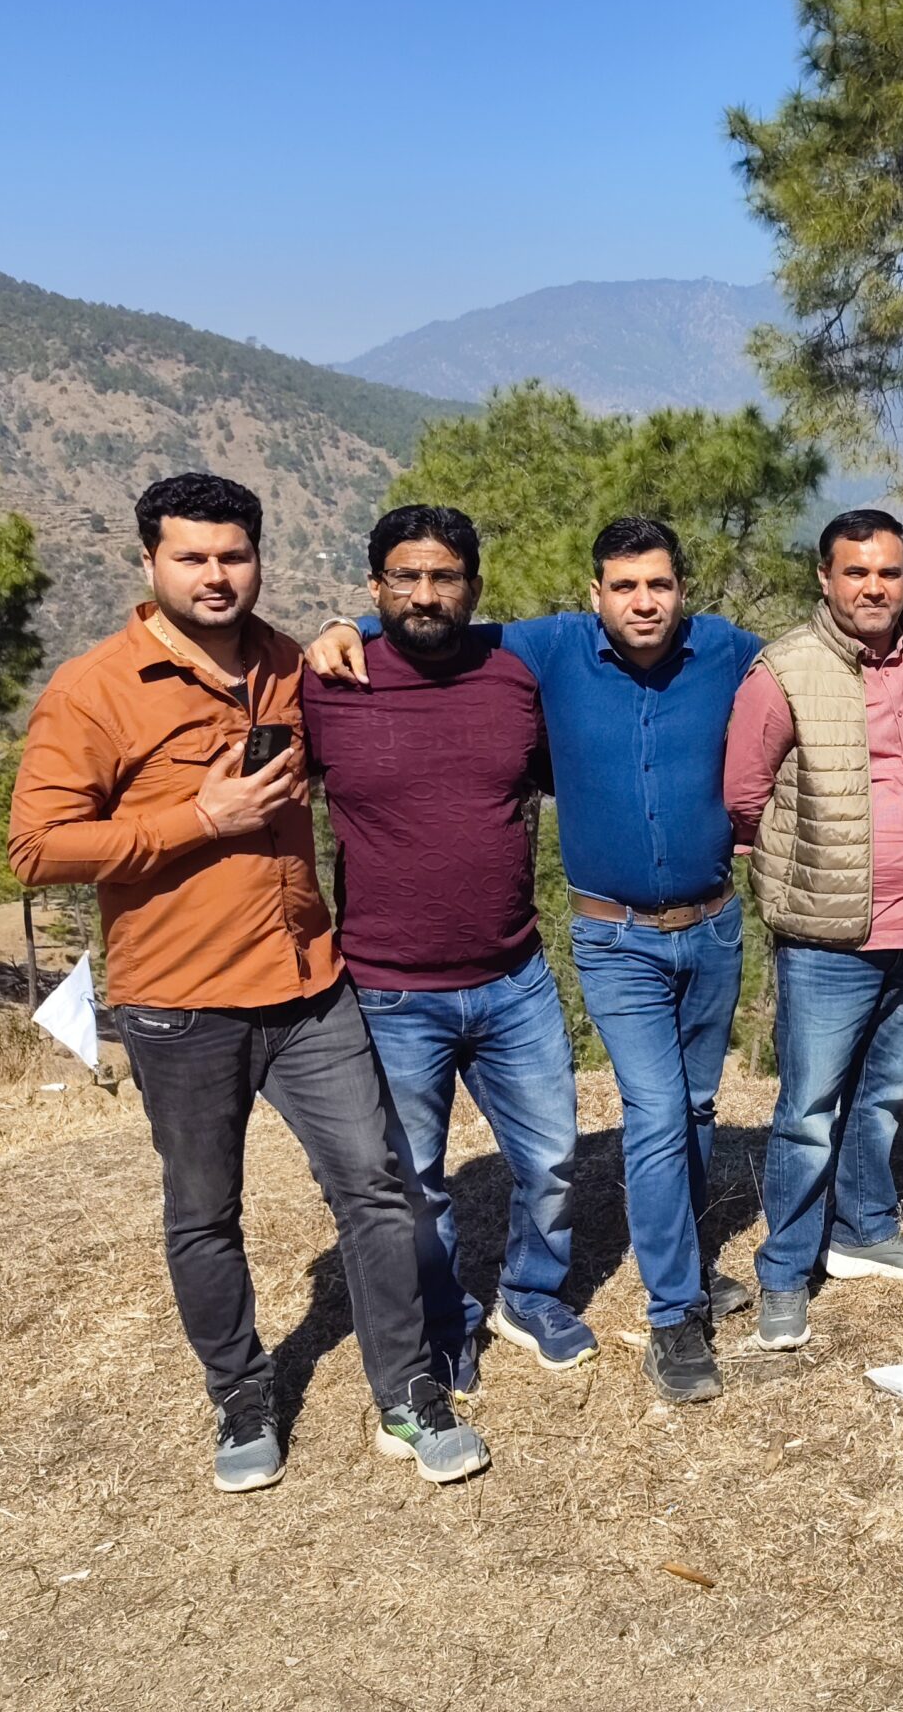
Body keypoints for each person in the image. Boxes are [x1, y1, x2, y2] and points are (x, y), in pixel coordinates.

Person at [9, 473, 489, 1492]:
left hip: (308, 985)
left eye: (233, 555)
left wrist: (345, 627)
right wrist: (200, 818)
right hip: (177, 1000)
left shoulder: (287, 663)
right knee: (204, 1211)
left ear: (257, 558)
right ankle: (240, 1394)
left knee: (377, 1188)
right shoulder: (94, 689)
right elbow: (37, 846)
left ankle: (409, 1391)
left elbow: (418, 631)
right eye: (191, 557)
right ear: (149, 562)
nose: (215, 575)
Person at [307, 516, 782, 1406]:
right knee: (652, 1112)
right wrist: (348, 626)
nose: (644, 601)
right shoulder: (550, 647)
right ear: (594, 594)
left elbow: (816, 656)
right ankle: (672, 1313)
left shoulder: (725, 649)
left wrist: (901, 615)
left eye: (660, 585)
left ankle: (644, 1265)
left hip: (714, 927)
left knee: (687, 1109)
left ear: (683, 591)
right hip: (609, 937)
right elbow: (435, 618)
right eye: (624, 586)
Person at [301, 505, 588, 1396]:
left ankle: (529, 1296)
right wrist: (335, 632)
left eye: (445, 576)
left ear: (474, 586)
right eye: (405, 577)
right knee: (414, 1184)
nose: (425, 594)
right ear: (374, 585)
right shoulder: (328, 685)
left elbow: (601, 643)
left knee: (552, 1160)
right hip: (388, 992)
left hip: (514, 976)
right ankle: (444, 1320)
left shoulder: (513, 678)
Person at [724, 509, 903, 1350]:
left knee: (885, 1095)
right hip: (828, 937)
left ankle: (864, 1226)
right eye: (856, 572)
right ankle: (785, 1272)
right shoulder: (785, 670)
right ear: (823, 578)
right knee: (808, 1112)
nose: (874, 587)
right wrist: (805, 873)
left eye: (889, 573)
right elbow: (745, 796)